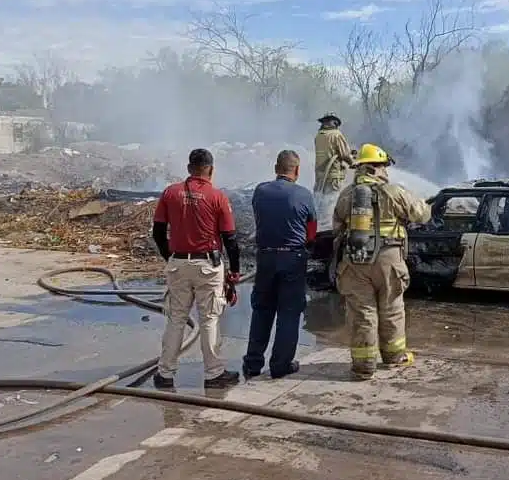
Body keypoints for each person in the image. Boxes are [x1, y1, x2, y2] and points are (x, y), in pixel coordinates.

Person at [332, 143, 432, 380]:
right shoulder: (394, 192)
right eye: (384, 167)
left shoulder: (347, 194)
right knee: (392, 308)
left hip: (356, 261)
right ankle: (394, 356)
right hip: (389, 259)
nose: (386, 171)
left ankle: (364, 367)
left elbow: (337, 226)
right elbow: (423, 214)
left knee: (362, 313)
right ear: (376, 167)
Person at [150, 148, 241, 390]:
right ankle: (214, 374)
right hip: (208, 267)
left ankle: (165, 373)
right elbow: (230, 239)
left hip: (178, 264)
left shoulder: (170, 193)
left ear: (190, 168)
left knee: (176, 320)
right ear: (210, 169)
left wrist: (170, 257)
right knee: (209, 320)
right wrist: (234, 271)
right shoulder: (217, 196)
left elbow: (158, 232)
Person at [242, 149, 317, 380]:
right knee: (289, 312)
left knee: (262, 309)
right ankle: (280, 364)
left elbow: (260, 218)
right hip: (293, 259)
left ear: (276, 169)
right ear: (297, 170)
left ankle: (253, 363)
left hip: (265, 257)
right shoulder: (304, 194)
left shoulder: (261, 191)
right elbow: (311, 232)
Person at [314, 112, 354, 199]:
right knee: (331, 203)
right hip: (333, 178)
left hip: (320, 178)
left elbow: (330, 151)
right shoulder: (336, 134)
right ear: (335, 122)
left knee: (320, 202)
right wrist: (354, 163)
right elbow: (345, 154)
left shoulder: (318, 136)